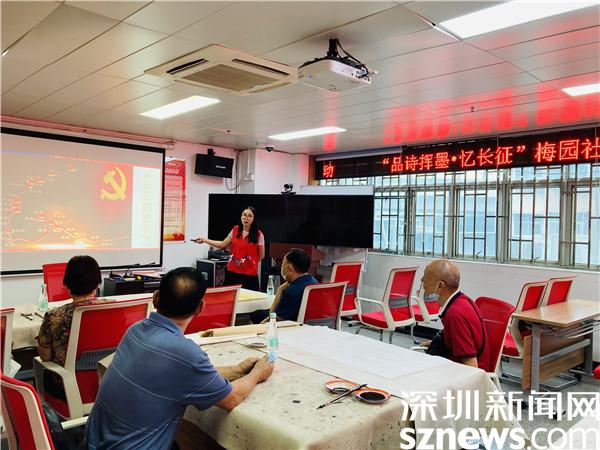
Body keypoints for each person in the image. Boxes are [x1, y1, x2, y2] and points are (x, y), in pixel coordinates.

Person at [85, 267, 273, 450]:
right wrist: (257, 373)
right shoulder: (186, 354)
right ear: (200, 307)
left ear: (156, 298)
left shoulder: (135, 330)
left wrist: (238, 370)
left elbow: (180, 375)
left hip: (92, 443)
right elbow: (231, 398)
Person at [37, 255, 104, 399]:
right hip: (107, 382)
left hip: (68, 387)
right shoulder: (115, 310)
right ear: (97, 284)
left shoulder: (54, 316)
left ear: (67, 284)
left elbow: (45, 356)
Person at [418, 259, 491, 370]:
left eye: (426, 276)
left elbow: (471, 366)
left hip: (473, 374)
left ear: (440, 286)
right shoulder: (462, 300)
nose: (422, 280)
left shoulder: (455, 315)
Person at [193, 206, 265, 290]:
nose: (246, 218)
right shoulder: (235, 230)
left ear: (253, 219)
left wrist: (249, 263)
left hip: (249, 275)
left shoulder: (259, 235)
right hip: (232, 272)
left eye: (250, 216)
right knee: (229, 296)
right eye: (244, 215)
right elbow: (222, 244)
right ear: (241, 216)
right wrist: (205, 240)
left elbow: (261, 256)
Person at [250, 248, 317, 323]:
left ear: (289, 268)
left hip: (289, 325)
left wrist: (280, 290)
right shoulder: (313, 281)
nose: (281, 267)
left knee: (257, 315)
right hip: (309, 324)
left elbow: (273, 318)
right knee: (258, 314)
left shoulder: (291, 291)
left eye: (282, 264)